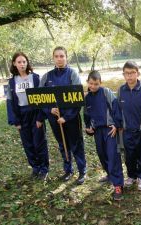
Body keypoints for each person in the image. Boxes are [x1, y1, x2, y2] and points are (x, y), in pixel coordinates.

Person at [37, 46, 86, 184]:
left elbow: (78, 99)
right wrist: (49, 110)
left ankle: (82, 171)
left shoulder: (72, 74)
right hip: (55, 119)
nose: (59, 59)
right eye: (56, 56)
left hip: (71, 118)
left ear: (66, 57)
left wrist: (67, 116)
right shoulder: (47, 76)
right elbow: (40, 99)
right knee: (62, 144)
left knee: (76, 144)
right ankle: (68, 170)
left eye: (62, 56)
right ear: (53, 58)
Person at [6, 52, 49, 180]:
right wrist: (15, 121)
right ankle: (35, 168)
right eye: (19, 62)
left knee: (39, 142)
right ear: (14, 63)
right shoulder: (11, 82)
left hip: (35, 114)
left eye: (24, 61)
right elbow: (9, 102)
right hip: (22, 116)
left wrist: (40, 117)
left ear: (27, 62)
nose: (22, 64)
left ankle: (44, 168)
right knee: (28, 144)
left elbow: (42, 98)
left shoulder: (35, 78)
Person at [84, 70, 124, 201]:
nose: (93, 86)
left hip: (110, 130)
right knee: (102, 154)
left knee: (113, 156)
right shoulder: (87, 98)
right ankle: (109, 174)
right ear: (87, 83)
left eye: (96, 84)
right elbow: (87, 116)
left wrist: (116, 125)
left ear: (100, 83)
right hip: (98, 132)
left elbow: (116, 108)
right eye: (91, 83)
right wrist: (88, 128)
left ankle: (118, 185)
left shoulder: (106, 92)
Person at [117, 61, 141, 191]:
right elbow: (119, 110)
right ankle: (131, 176)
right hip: (127, 130)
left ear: (137, 73)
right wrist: (120, 124)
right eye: (127, 73)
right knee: (129, 155)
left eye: (132, 73)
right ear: (123, 75)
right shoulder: (121, 90)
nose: (130, 76)